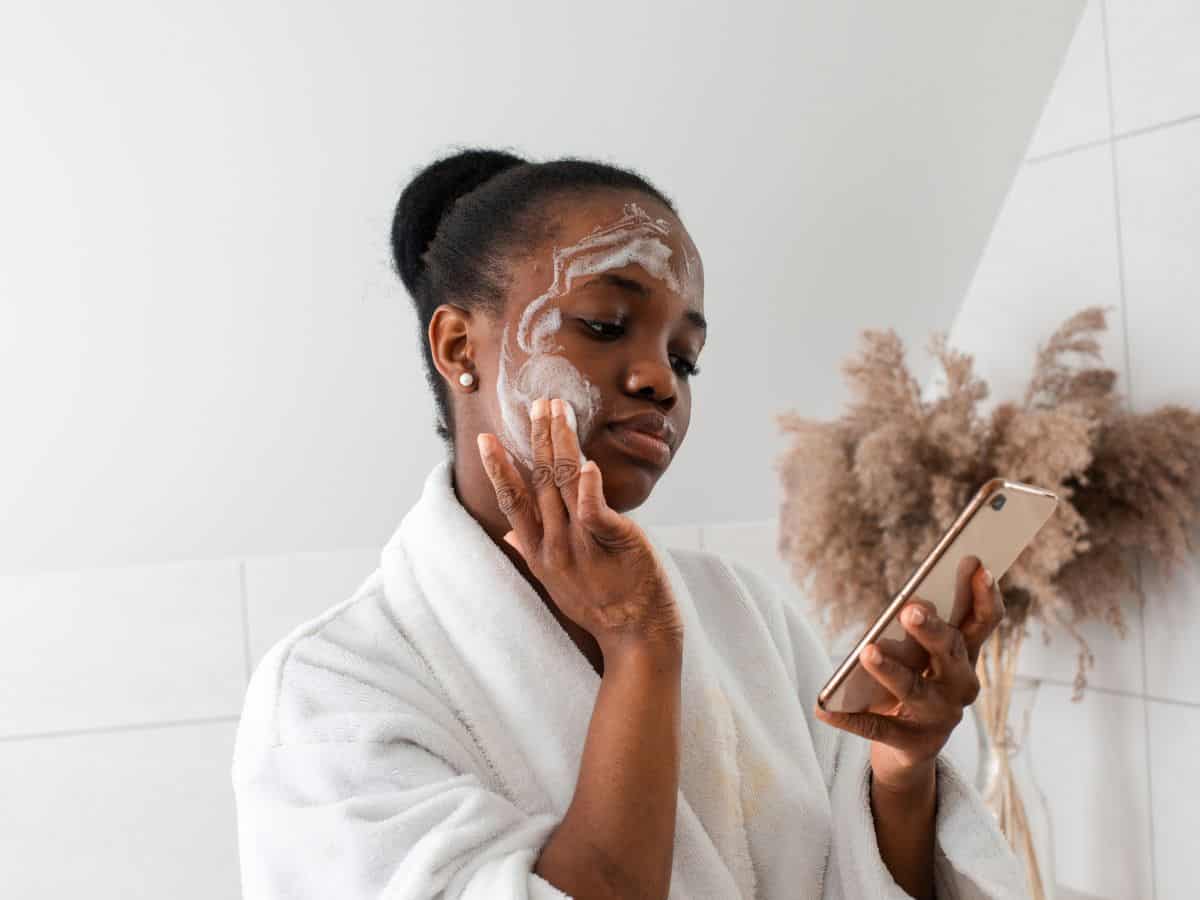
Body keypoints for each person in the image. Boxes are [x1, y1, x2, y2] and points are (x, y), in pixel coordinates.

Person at [232, 148, 1028, 899]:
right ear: (456, 344)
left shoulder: (742, 613)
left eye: (685, 358)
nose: (660, 382)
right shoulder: (332, 694)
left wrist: (899, 770)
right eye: (606, 325)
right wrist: (639, 647)